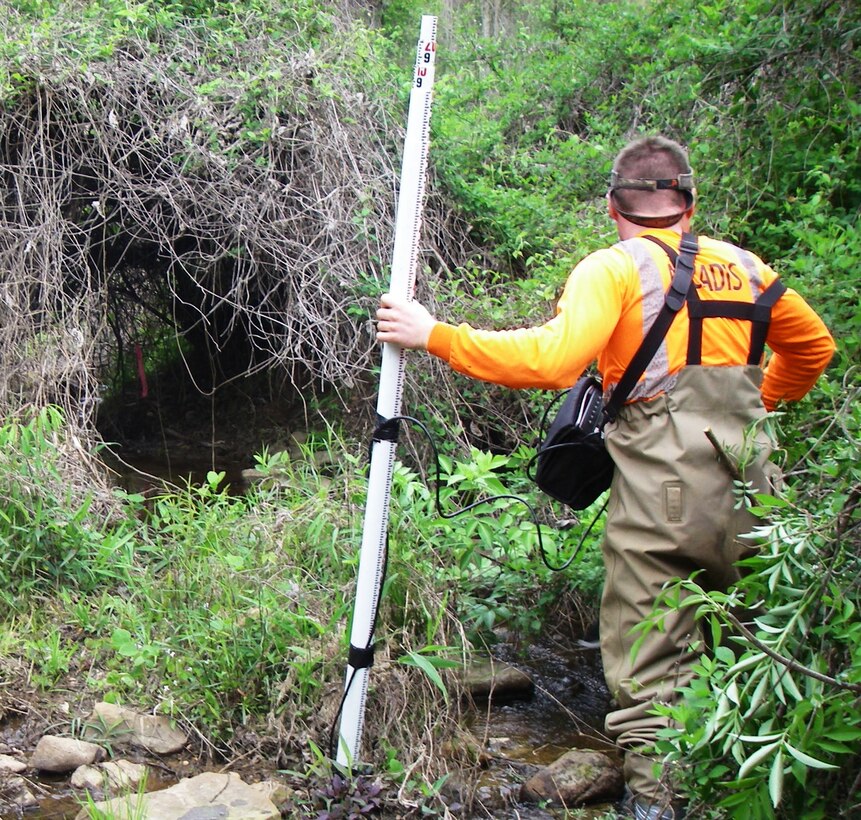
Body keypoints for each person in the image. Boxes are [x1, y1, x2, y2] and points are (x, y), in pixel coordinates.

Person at [375, 135, 835, 819]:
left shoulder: (613, 269)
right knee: (748, 653)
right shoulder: (746, 269)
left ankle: (659, 808)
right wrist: (753, 407)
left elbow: (552, 362)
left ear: (613, 208)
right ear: (688, 203)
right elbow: (814, 347)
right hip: (755, 492)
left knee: (650, 671)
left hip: (663, 498)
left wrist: (434, 334)